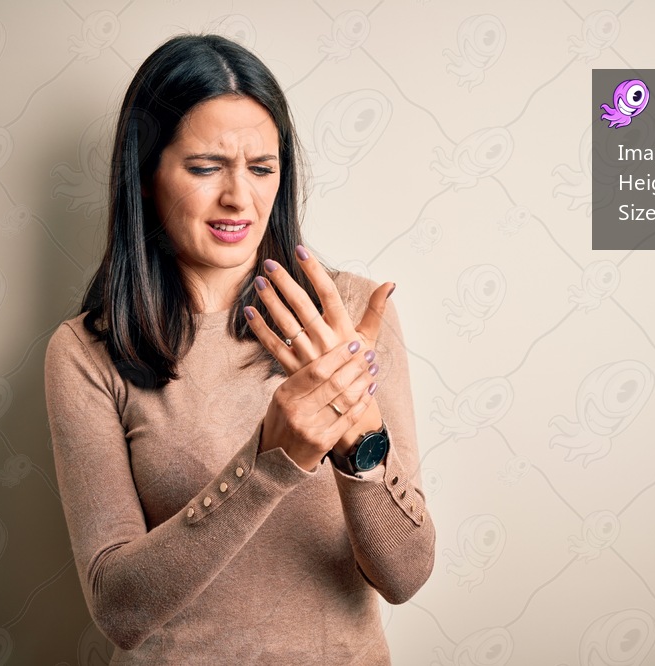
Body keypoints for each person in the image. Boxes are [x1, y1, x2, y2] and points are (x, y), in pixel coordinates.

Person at [44, 34, 435, 664]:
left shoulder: (351, 320)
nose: (239, 198)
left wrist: (361, 437)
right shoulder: (86, 352)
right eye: (204, 168)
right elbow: (118, 608)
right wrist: (271, 459)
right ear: (145, 175)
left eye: (262, 168)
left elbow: (405, 576)